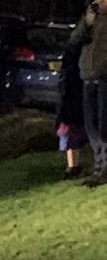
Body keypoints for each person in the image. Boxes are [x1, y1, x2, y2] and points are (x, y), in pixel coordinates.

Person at [69, 0, 107, 186]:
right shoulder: (90, 18)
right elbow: (74, 40)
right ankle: (99, 166)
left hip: (105, 79)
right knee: (91, 127)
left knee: (104, 126)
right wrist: (87, 22)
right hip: (88, 78)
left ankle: (104, 169)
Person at [56, 35, 86, 179]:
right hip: (76, 98)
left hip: (71, 100)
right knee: (74, 133)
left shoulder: (71, 54)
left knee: (71, 134)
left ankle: (72, 166)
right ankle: (73, 166)